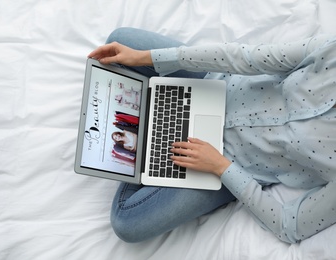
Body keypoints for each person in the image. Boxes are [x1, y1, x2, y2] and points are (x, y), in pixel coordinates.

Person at [88, 27, 336, 244]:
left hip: (226, 164)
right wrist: (147, 58)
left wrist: (221, 167)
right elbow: (246, 58)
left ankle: (145, 147)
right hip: (212, 88)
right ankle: (152, 127)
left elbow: (290, 225)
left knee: (127, 224)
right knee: (119, 43)